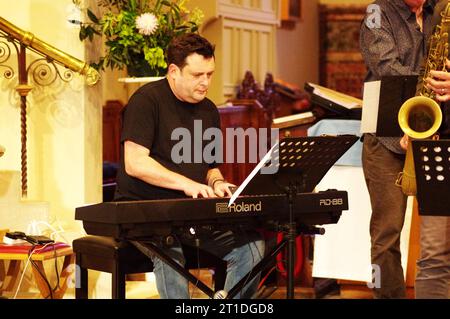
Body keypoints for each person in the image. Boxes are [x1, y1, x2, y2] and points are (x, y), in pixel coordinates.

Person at [114, 33, 264, 299]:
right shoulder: (146, 101)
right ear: (174, 71)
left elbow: (209, 166)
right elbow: (135, 163)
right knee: (168, 251)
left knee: (252, 246)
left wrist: (217, 183)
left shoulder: (208, 110)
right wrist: (188, 184)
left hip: (190, 215)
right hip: (145, 216)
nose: (205, 82)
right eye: (197, 75)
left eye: (210, 74)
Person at [361, 0, 449, 299]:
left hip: (435, 133)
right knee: (386, 235)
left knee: (438, 242)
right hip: (385, 136)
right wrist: (429, 89)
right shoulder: (377, 11)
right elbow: (385, 67)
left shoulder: (441, 10)